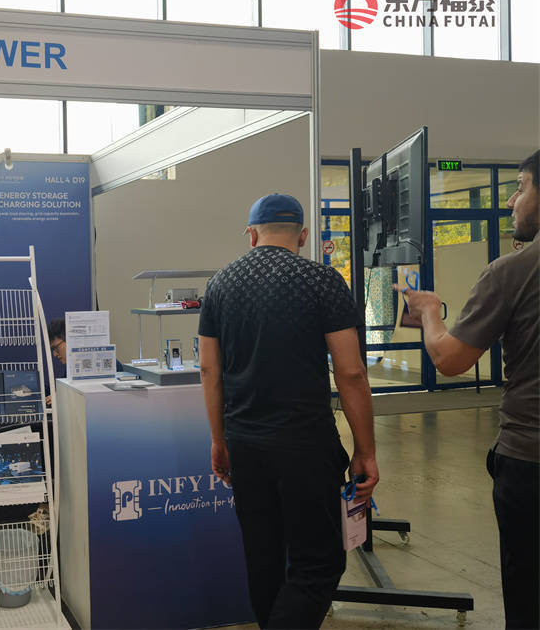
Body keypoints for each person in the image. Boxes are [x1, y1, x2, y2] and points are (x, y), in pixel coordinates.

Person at [198, 193, 379, 629]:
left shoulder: (220, 285)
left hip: (245, 444)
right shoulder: (322, 280)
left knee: (263, 560)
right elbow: (351, 372)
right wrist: (365, 450)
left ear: (251, 234)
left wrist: (219, 440)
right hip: (306, 445)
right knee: (319, 563)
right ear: (303, 235)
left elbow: (208, 370)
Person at [401, 150, 538, 629]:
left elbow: (451, 358)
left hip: (531, 462)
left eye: (520, 187)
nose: (511, 202)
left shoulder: (513, 271)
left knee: (529, 596)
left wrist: (429, 312)